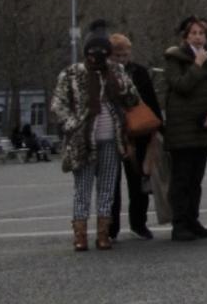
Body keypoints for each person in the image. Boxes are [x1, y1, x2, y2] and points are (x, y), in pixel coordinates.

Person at [51, 35, 141, 251]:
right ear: (86, 54)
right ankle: (80, 234)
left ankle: (103, 233)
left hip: (112, 138)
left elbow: (133, 99)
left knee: (107, 188)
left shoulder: (117, 71)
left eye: (101, 54)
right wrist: (72, 124)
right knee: (82, 188)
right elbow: (58, 104)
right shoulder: (71, 73)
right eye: (92, 54)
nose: (97, 59)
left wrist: (120, 84)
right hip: (83, 139)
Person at [163, 15, 207, 241]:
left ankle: (193, 220)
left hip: (205, 126)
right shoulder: (174, 58)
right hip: (182, 129)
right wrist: (197, 64)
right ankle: (179, 223)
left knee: (196, 180)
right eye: (194, 33)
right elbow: (181, 86)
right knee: (181, 179)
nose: (198, 37)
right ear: (185, 36)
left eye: (201, 33)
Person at [107, 34, 160, 241]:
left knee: (138, 181)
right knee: (112, 183)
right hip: (113, 133)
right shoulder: (104, 74)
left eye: (125, 54)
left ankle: (139, 223)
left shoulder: (139, 72)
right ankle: (111, 227)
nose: (122, 59)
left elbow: (150, 101)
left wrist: (156, 128)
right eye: (118, 55)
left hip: (137, 132)